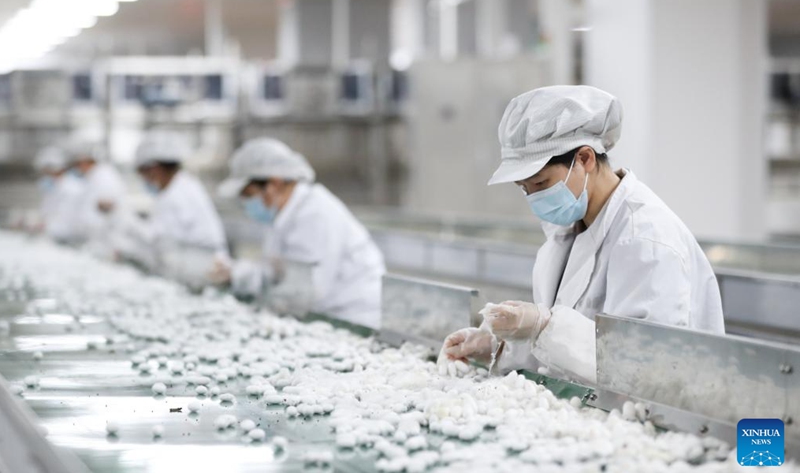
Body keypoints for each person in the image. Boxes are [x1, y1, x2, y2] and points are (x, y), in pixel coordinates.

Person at [440, 85, 725, 384]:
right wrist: (499, 346)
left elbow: (644, 367)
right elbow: (566, 354)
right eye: (524, 189)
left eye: (540, 183)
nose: (533, 198)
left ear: (585, 159)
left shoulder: (646, 239)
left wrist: (543, 326)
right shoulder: (568, 229)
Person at [214, 137, 385, 328]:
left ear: (274, 184)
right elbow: (274, 272)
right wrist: (236, 273)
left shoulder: (314, 214)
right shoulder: (282, 216)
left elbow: (308, 291)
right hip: (326, 317)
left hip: (353, 319)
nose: (246, 203)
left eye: (248, 194)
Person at [130, 131, 228, 257]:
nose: (144, 180)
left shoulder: (179, 194)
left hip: (203, 266)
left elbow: (163, 241)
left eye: (143, 173)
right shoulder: (177, 188)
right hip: (195, 262)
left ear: (155, 169)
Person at [65, 137, 128, 250]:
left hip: (107, 244)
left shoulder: (104, 178)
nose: (76, 167)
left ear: (85, 161)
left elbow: (104, 217)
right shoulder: (93, 178)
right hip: (97, 243)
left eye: (77, 163)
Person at [32, 146, 85, 243]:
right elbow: (47, 211)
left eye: (46, 171)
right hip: (54, 235)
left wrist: (45, 228)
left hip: (65, 238)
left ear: (55, 169)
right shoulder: (55, 187)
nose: (45, 174)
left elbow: (67, 219)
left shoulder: (72, 189)